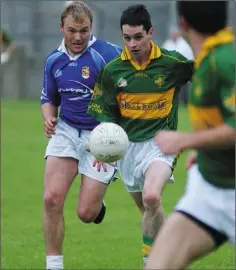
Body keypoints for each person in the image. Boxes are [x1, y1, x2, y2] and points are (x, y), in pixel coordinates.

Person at [88, 4, 193, 265]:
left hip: (161, 144)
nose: (132, 43)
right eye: (126, 38)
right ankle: (171, 256)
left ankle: (150, 263)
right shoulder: (113, 71)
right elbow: (105, 113)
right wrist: (102, 146)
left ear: (150, 33)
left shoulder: (172, 63)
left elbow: (205, 74)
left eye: (138, 37)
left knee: (151, 196)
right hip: (127, 150)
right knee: (149, 210)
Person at [145, 1, 235, 269]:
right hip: (209, 191)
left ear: (183, 23)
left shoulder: (225, 60)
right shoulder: (207, 57)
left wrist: (185, 140)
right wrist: (206, 149)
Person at [40, 1, 121, 270]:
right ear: (61, 27)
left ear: (91, 28)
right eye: (72, 30)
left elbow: (127, 91)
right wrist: (48, 116)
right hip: (66, 130)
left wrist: (111, 138)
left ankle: (97, 205)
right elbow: (47, 98)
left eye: (84, 31)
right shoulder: (53, 59)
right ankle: (53, 265)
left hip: (101, 136)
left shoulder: (108, 55)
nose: (78, 37)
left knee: (86, 213)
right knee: (51, 198)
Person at [163, 26, 194, 106]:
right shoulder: (167, 43)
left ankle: (185, 103)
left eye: (175, 33)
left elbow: (189, 56)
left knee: (183, 88)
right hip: (171, 70)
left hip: (182, 69)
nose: (174, 35)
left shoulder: (184, 44)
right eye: (172, 33)